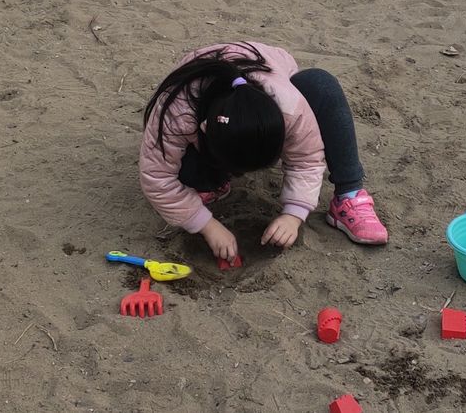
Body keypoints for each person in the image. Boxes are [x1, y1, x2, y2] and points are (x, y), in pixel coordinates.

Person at [140, 41, 388, 261]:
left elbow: (307, 158)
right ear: (204, 129)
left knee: (320, 84)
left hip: (275, 81)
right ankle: (211, 183)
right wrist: (206, 225)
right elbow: (157, 177)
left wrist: (294, 214)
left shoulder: (289, 105)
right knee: (187, 171)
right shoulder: (176, 112)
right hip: (200, 120)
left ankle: (350, 194)